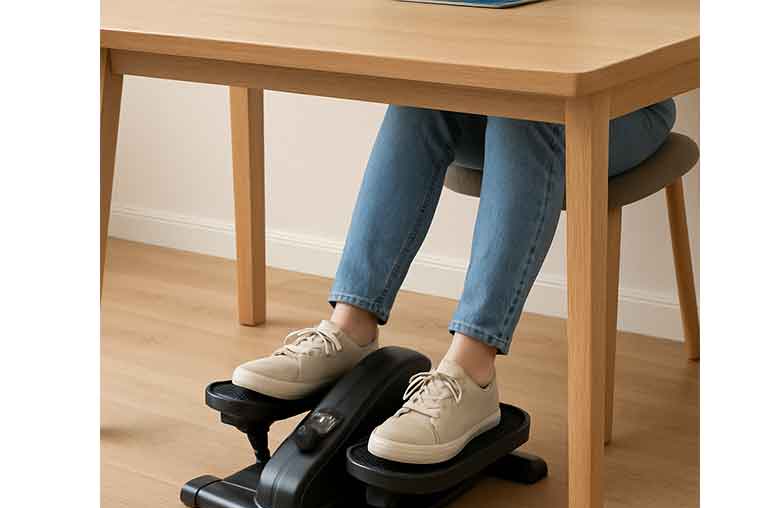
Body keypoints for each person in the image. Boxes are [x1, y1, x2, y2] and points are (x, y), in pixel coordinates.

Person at [233, 101, 677, 464]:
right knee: (421, 102)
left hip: (624, 107)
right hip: (506, 89)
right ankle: (351, 326)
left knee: (528, 108)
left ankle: (473, 372)